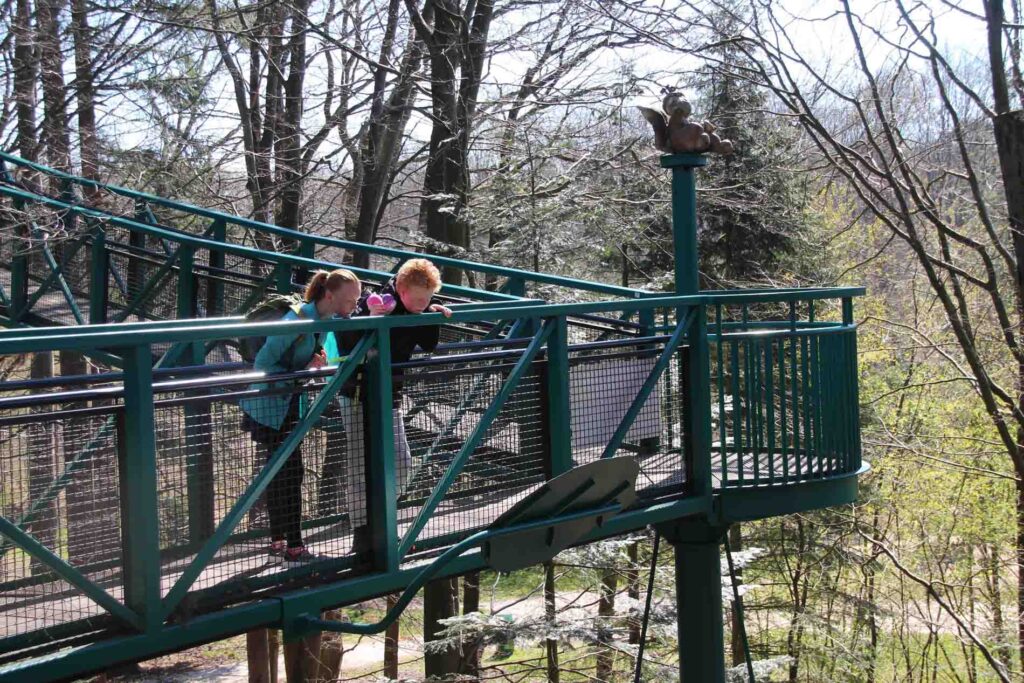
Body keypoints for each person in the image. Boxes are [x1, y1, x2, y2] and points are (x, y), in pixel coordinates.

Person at [324, 258, 452, 557]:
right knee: (360, 466)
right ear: (400, 288)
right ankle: (362, 535)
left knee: (403, 464)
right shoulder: (375, 301)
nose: (422, 303)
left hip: (390, 395)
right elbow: (347, 337)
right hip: (357, 394)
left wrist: (432, 313)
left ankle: (380, 522)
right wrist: (370, 316)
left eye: (428, 298)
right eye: (418, 298)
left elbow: (428, 345)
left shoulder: (417, 306)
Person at [239, 268, 362, 567]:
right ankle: (293, 548)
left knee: (282, 472)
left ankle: (279, 543)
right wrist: (302, 372)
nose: (353, 307)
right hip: (268, 407)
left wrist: (312, 360)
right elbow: (264, 364)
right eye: (349, 301)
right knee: (290, 473)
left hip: (289, 403)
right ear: (329, 296)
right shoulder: (298, 320)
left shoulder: (325, 320)